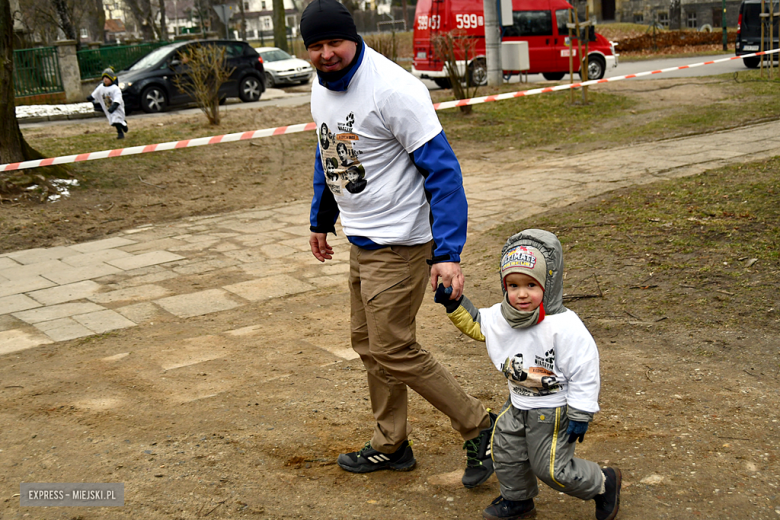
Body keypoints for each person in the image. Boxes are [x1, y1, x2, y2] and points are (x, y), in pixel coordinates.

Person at [302, 0, 495, 489]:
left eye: (334, 43)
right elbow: (329, 151)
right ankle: (392, 444)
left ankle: (479, 425)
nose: (326, 55)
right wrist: (321, 220)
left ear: (353, 38)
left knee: (393, 348)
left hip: (402, 243)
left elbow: (444, 173)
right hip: (361, 240)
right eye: (316, 46)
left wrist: (448, 254)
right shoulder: (320, 87)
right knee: (368, 344)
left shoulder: (393, 89)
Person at [434, 229, 621, 520]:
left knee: (551, 469)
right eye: (513, 285)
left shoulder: (564, 326)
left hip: (554, 410)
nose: (521, 294)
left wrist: (582, 411)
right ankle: (518, 500)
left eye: (531, 285)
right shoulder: (502, 315)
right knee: (506, 451)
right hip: (518, 403)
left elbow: (585, 369)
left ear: (549, 283)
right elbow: (478, 324)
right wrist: (454, 304)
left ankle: (603, 482)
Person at [87, 68, 129, 140]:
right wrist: (91, 97)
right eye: (104, 78)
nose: (105, 79)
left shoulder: (115, 88)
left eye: (107, 78)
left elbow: (118, 98)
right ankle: (123, 124)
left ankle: (120, 133)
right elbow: (96, 92)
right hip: (107, 107)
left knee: (116, 119)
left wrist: (114, 106)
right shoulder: (101, 87)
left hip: (116, 108)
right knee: (113, 121)